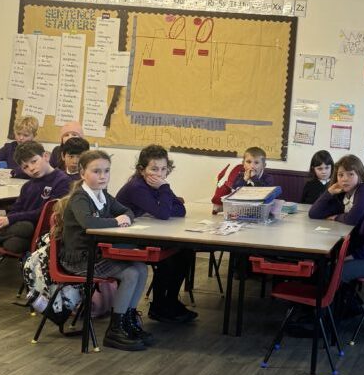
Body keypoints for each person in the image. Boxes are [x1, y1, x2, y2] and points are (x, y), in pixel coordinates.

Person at [54, 149, 150, 352]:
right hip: (78, 260)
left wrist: (125, 217)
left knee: (141, 268)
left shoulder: (103, 195)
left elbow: (127, 211)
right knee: (131, 273)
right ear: (82, 173)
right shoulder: (80, 198)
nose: (103, 176)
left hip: (96, 255)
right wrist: (117, 221)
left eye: (106, 171)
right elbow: (89, 222)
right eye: (96, 171)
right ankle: (115, 330)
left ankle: (128, 321)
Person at [116, 144, 197, 323]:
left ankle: (170, 301)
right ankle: (160, 306)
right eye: (154, 169)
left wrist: (163, 196)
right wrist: (164, 189)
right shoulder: (137, 186)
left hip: (143, 233)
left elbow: (180, 210)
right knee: (169, 255)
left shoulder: (158, 185)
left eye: (163, 169)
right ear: (142, 170)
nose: (159, 174)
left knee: (185, 251)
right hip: (124, 238)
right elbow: (163, 213)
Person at [0, 141, 70, 267]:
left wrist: (9, 219)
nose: (31, 168)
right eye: (25, 167)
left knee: (19, 236)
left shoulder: (62, 181)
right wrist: (2, 222)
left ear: (46, 156)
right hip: (23, 231)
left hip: (44, 233)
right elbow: (16, 209)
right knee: (18, 237)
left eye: (34, 161)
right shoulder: (28, 186)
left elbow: (43, 213)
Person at [308, 154, 364, 225]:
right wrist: (329, 192)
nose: (345, 179)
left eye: (351, 174)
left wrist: (337, 217)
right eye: (341, 175)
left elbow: (353, 219)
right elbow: (314, 213)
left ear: (360, 175)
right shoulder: (341, 196)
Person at [211, 146, 273, 211]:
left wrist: (254, 177)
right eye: (248, 162)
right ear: (243, 164)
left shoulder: (268, 177)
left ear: (263, 165)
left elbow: (263, 192)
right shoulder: (241, 175)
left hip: (259, 209)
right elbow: (235, 190)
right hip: (242, 208)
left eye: (256, 163)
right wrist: (244, 180)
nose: (252, 166)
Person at [0, 114, 40, 178]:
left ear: (34, 135)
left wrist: (13, 172)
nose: (21, 138)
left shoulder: (38, 151)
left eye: (25, 135)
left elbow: (32, 169)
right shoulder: (9, 148)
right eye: (18, 134)